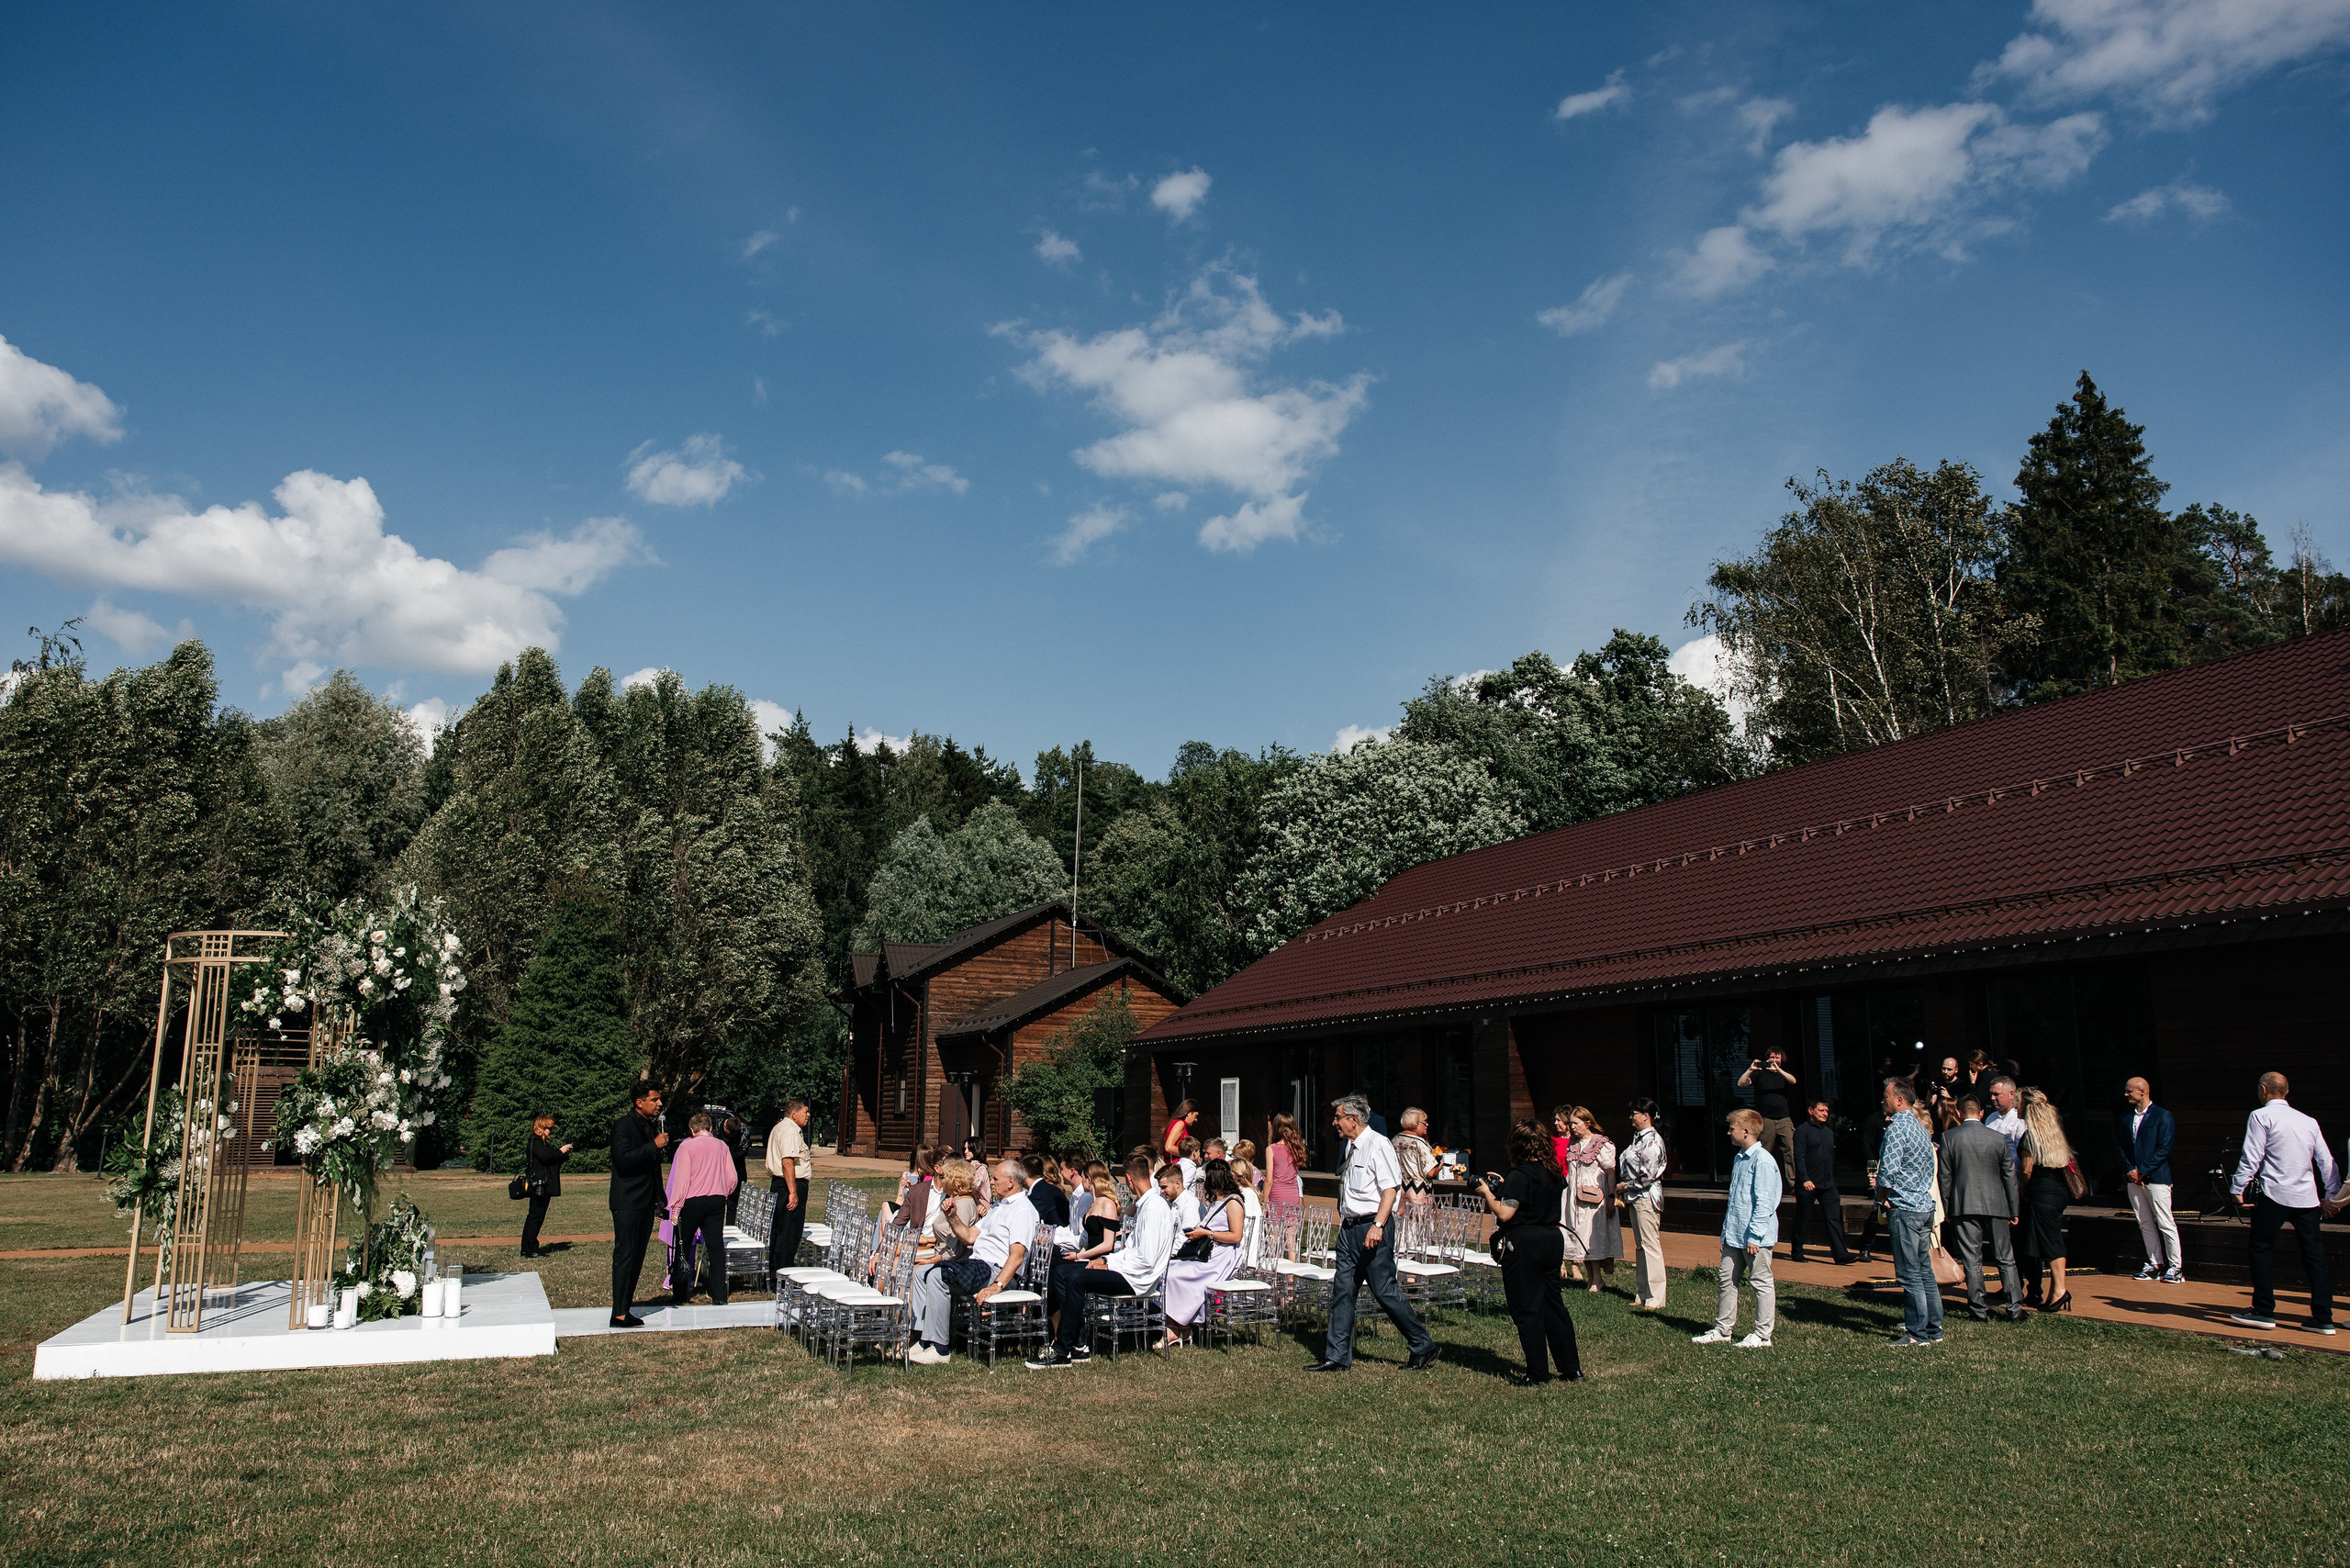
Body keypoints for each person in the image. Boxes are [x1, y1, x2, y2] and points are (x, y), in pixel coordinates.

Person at [1306, 1093, 1438, 1372]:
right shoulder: (1350, 1146)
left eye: (1338, 1117)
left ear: (1353, 1119)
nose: (1334, 1123)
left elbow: (1391, 1189)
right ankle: (1337, 1356)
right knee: (1342, 1291)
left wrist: (1378, 1226)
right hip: (1350, 1229)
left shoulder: (1379, 1144)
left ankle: (1422, 1345)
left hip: (1372, 1227)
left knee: (1384, 1291)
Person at [1028, 1155, 1178, 1369]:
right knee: (1062, 1273)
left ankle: (1062, 1349)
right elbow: (1132, 1251)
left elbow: (1146, 1259)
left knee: (1079, 1277)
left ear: (1128, 1178)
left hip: (1138, 1278)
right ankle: (1078, 1344)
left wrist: (1108, 1263)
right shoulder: (1147, 1205)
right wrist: (1106, 1259)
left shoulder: (1154, 1207)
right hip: (1129, 1269)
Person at [2228, 1071, 2338, 1335]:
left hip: (2275, 1194)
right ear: (2286, 1092)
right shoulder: (2308, 1121)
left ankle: (2264, 1311)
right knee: (2314, 1256)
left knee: (2261, 1249)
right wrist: (2332, 1197)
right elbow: (2326, 1161)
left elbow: (2252, 1155)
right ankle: (2323, 1317)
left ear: (2263, 1090)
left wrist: (2237, 1187)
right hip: (2306, 1198)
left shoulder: (2260, 1116)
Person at [1477, 1119, 1581, 1384]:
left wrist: (1488, 1193)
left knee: (1528, 1308)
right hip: (1551, 1238)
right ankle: (1571, 1369)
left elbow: (1505, 1212)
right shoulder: (1553, 1171)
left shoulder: (1520, 1175)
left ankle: (1537, 1374)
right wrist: (1505, 1186)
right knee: (1553, 1305)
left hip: (1525, 1242)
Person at [908, 1159, 1038, 1365]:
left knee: (937, 1276)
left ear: (1011, 1182)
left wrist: (997, 1286)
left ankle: (940, 1349)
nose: (991, 1183)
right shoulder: (999, 1206)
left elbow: (1017, 1256)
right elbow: (969, 1236)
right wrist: (952, 1217)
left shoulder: (1022, 1210)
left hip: (994, 1270)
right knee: (923, 1273)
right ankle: (923, 1341)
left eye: (995, 1179)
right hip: (978, 1264)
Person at [1695, 1108, 1781, 1348]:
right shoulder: (1740, 1158)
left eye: (1732, 1128)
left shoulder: (1763, 1160)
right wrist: (1727, 1233)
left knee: (1760, 1282)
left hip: (1755, 1238)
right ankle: (1723, 1330)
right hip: (1735, 1234)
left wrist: (1754, 1236)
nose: (1729, 1132)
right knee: (1726, 1279)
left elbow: (1765, 1202)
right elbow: (1736, 1200)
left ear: (1746, 1130)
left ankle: (1763, 1335)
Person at [1941, 1096, 2027, 1323]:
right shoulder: (1998, 1138)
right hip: (1996, 1203)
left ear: (1959, 1113)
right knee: (2005, 1258)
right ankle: (2015, 1308)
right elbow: (2009, 1176)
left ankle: (1978, 1309)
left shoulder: (1949, 1137)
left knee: (1972, 1259)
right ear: (1980, 1114)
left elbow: (1945, 1177)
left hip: (1963, 1203)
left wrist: (1947, 1206)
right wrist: (2013, 1208)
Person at [1874, 1078, 1942, 1347]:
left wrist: (1880, 1199)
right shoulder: (1920, 1127)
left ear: (1899, 1100)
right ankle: (1933, 1327)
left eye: (1886, 1096)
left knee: (1909, 1273)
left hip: (1905, 1208)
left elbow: (1887, 1172)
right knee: (1924, 1270)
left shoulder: (1897, 1129)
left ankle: (1916, 1333)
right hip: (1925, 1207)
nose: (1883, 1101)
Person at [1160, 1161, 1247, 1347]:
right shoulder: (1217, 1201)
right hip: (1209, 1253)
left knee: (1175, 1275)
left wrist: (1207, 1233)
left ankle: (1178, 1327)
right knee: (1167, 1270)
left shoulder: (1234, 1202)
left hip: (1222, 1258)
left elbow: (1236, 1236)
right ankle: (1177, 1328)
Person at [607, 1081, 671, 1327]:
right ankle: (619, 1313)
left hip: (644, 1202)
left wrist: (660, 1198)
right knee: (626, 1255)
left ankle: (625, 1308)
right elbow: (623, 1160)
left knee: (637, 1257)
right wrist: (652, 1146)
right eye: (654, 1099)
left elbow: (651, 1169)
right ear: (639, 1102)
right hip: (627, 1202)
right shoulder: (623, 1126)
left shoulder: (647, 1126)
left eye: (659, 1099)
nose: (659, 1103)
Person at [665, 1112, 741, 1305]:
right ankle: (720, 1295)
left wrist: (675, 1208)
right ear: (710, 1128)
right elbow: (732, 1178)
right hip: (716, 1200)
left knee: (683, 1246)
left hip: (692, 1201)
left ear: (692, 1130)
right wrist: (723, 1191)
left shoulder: (686, 1147)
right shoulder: (722, 1146)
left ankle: (680, 1293)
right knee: (716, 1247)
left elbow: (682, 1180)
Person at [2117, 1077, 2182, 1282]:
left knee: (2165, 1221)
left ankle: (2176, 1266)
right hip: (2134, 1179)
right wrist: (2130, 1170)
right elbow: (2121, 1146)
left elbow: (2164, 1148)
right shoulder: (2126, 1118)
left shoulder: (2163, 1116)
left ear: (2143, 1092)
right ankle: (2155, 1263)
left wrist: (2143, 1170)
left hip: (2156, 1178)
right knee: (2144, 1221)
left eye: (2130, 1091)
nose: (2126, 1095)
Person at [2018, 1088, 2076, 1313]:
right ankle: (2056, 1291)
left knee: (2050, 1242)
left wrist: (2021, 1188)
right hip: (2058, 1190)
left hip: (2041, 1193)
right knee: (2052, 1239)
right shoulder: (2053, 1131)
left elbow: (2026, 1169)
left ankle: (2060, 1291)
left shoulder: (2030, 1136)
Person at [1559, 1107, 1619, 1291]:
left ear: (1588, 1123)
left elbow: (1610, 1173)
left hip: (1593, 1197)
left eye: (1576, 1123)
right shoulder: (1573, 1143)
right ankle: (1592, 1278)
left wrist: (1610, 1198)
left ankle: (1597, 1279)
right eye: (1571, 1123)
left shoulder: (1601, 1144)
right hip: (1574, 1198)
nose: (1573, 1127)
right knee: (1580, 1236)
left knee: (1592, 1236)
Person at [1618, 1099, 1670, 1310]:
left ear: (1645, 1116)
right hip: (1635, 1197)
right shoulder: (1638, 1139)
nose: (1631, 1118)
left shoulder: (1652, 1141)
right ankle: (1643, 1293)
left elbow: (1647, 1175)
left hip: (1646, 1197)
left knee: (1650, 1246)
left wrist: (1625, 1186)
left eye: (1634, 1114)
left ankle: (1656, 1297)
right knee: (1641, 1247)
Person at [1789, 1099, 1852, 1266]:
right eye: (1821, 1110)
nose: (1825, 1113)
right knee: (1803, 1218)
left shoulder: (1828, 1132)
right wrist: (1804, 1178)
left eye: (1826, 1111)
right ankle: (1797, 1252)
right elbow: (1799, 1157)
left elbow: (1830, 1158)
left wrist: (1831, 1177)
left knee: (1834, 1218)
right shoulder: (1802, 1131)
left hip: (1827, 1183)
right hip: (1808, 1183)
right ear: (1811, 1111)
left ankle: (1840, 1254)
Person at [765, 1098, 814, 1279]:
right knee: (789, 1232)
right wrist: (793, 1192)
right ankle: (783, 1275)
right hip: (788, 1185)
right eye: (805, 1111)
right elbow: (787, 1162)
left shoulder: (780, 1127)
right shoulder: (790, 1131)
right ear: (794, 1114)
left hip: (782, 1184)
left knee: (780, 1231)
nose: (808, 1115)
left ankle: (775, 1272)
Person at [1737, 1047, 1799, 1185]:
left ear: (1782, 1059)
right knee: (1763, 1153)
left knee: (1790, 1151)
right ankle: (1763, 1183)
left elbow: (1793, 1081)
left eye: (1778, 1058)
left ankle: (1793, 1185)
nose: (1775, 1060)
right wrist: (1751, 1069)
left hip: (1784, 1119)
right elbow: (1741, 1083)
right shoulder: (1761, 1074)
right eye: (1772, 1057)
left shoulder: (1785, 1073)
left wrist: (1778, 1070)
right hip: (1767, 1119)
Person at [520, 1114, 571, 1259]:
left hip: (544, 1185)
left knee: (537, 1216)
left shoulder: (542, 1143)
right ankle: (529, 1249)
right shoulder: (535, 1142)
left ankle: (529, 1247)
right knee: (535, 1216)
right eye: (549, 1129)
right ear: (541, 1128)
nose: (550, 1132)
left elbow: (551, 1160)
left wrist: (562, 1154)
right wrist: (560, 1151)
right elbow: (547, 1158)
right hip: (538, 1185)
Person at [1393, 1108, 1438, 1209]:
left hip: (1399, 1192)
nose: (1427, 1125)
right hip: (1418, 1194)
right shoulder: (1419, 1143)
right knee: (1420, 1223)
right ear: (1414, 1123)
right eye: (1424, 1122)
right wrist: (1438, 1169)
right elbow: (1430, 1172)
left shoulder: (1394, 1140)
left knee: (1401, 1223)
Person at [1266, 1114, 1306, 1207]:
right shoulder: (1297, 1148)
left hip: (1277, 1193)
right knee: (1291, 1221)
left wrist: (1264, 1201)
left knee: (1275, 1221)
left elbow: (1269, 1180)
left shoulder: (1271, 1149)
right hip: (1293, 1193)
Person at [1163, 1101, 1199, 1166]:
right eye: (1195, 1116)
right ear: (1188, 1112)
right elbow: (1169, 1147)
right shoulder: (1180, 1123)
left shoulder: (1177, 1123)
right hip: (1175, 1165)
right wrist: (1190, 1154)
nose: (1196, 1120)